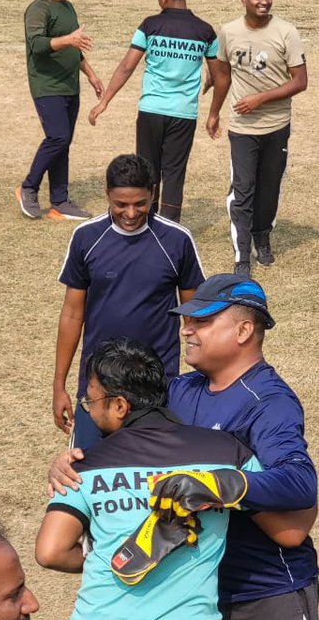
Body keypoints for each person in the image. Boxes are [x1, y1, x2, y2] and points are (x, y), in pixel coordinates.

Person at [50, 275, 319, 620]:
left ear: (244, 330)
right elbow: (121, 426)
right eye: (187, 321)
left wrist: (221, 483)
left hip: (269, 595)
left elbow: (299, 483)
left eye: (202, 321)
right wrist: (74, 458)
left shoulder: (269, 401)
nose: (187, 331)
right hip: (196, 605)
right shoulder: (180, 391)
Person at [37, 337, 265, 620]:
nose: (87, 410)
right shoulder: (226, 454)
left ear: (120, 406)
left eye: (91, 401)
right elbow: (289, 519)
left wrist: (104, 555)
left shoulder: (85, 466)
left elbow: (50, 550)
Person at [54, 154, 205, 449]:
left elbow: (195, 320)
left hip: (157, 390)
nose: (131, 213)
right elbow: (72, 315)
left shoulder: (177, 241)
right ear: (107, 195)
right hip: (98, 390)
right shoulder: (86, 238)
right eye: (120, 204)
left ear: (153, 193)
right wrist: (59, 385)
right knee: (85, 474)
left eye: (141, 203)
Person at [86, 0, 226, 221]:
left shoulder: (150, 25)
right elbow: (221, 76)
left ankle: (145, 224)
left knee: (148, 170)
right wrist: (213, 112)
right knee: (174, 173)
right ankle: (169, 229)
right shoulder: (204, 31)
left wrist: (104, 101)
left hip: (151, 110)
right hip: (183, 113)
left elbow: (127, 66)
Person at [207, 0, 307, 276]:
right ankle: (242, 256)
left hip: (277, 125)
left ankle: (262, 235)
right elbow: (223, 75)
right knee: (243, 189)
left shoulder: (286, 32)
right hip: (243, 128)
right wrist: (214, 113)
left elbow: (300, 81)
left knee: (269, 188)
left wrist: (261, 99)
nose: (263, 2)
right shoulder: (228, 32)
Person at [17, 0, 103, 221]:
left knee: (63, 143)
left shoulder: (68, 9)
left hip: (69, 86)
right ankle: (28, 187)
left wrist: (90, 74)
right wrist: (69, 39)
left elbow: (73, 50)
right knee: (57, 137)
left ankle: (60, 201)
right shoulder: (38, 9)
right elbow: (38, 45)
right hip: (47, 85)